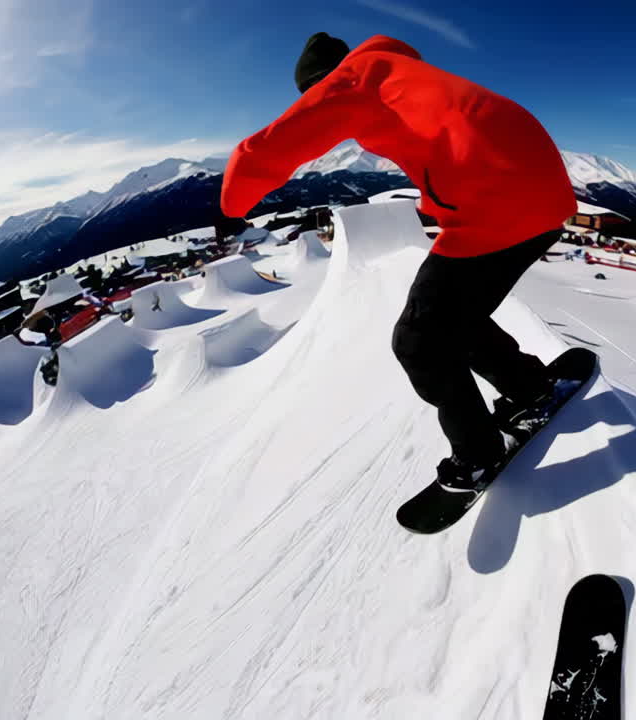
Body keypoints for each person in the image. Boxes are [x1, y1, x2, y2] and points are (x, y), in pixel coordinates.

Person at [220, 32, 577, 491]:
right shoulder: (400, 76)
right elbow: (453, 135)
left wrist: (229, 206)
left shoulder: (353, 79)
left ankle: (478, 454)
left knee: (419, 341)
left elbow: (275, 142)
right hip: (540, 193)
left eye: (312, 92)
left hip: (500, 205)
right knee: (452, 318)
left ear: (320, 82)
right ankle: (528, 389)